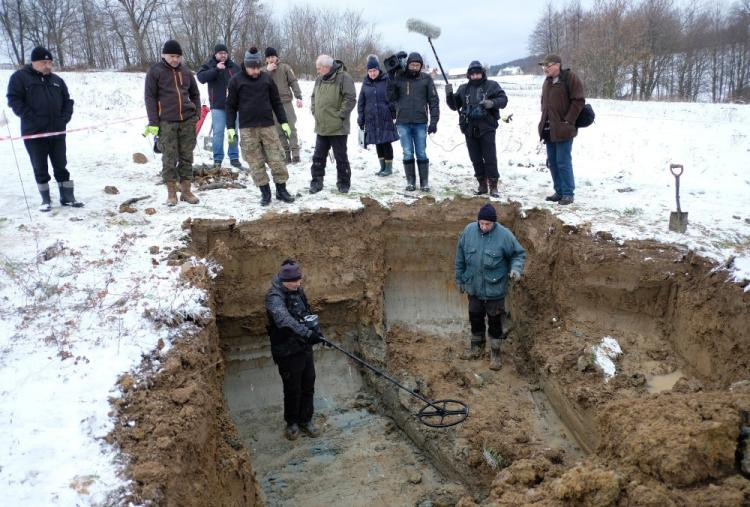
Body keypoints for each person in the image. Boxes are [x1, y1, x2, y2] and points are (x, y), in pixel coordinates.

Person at [6, 46, 82, 211]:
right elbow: (14, 100)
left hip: (57, 132)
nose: (48, 65)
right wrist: (32, 118)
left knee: (61, 165)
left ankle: (67, 197)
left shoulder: (57, 80)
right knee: (40, 167)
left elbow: (68, 101)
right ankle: (46, 200)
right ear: (34, 62)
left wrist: (64, 119)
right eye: (44, 62)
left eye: (50, 62)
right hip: (34, 133)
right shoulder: (20, 78)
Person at [454, 204, 525, 370]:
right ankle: (476, 347)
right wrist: (459, 280)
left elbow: (518, 255)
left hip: (495, 289)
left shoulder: (505, 236)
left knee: (494, 322)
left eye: (487, 224)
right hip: (474, 287)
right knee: (475, 318)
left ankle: (495, 353)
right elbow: (460, 259)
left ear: (494, 223)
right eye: (481, 223)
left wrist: (515, 269)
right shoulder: (468, 231)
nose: (484, 226)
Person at [225, 47, 295, 206]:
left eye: (258, 67)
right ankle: (265, 193)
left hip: (268, 127)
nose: (256, 71)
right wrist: (230, 127)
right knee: (255, 162)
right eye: (252, 67)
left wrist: (284, 122)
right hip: (247, 129)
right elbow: (230, 106)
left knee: (277, 158)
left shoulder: (267, 79)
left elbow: (276, 102)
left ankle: (282, 190)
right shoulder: (236, 81)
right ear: (245, 65)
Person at [265, 260, 324, 440]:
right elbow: (284, 320)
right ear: (284, 280)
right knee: (293, 388)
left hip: (303, 347)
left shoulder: (298, 290)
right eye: (295, 281)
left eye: (299, 280)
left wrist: (316, 332)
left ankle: (306, 420)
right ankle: (292, 423)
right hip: (287, 351)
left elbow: (306, 312)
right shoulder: (274, 297)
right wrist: (307, 333)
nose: (299, 284)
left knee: (308, 383)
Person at [144, 39, 201, 206]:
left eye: (178, 56)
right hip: (166, 122)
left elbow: (195, 94)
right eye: (172, 56)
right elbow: (150, 97)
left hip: (187, 121)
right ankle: (171, 193)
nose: (175, 59)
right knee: (169, 157)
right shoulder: (155, 71)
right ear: (164, 55)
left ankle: (186, 191)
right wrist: (153, 121)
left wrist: (196, 114)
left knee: (187, 157)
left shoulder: (186, 71)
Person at [446, 61, 508, 198]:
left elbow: (503, 100)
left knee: (490, 158)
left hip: (487, 127)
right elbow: (454, 106)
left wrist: (492, 103)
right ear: (469, 75)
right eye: (472, 74)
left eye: (478, 73)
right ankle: (482, 184)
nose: (475, 76)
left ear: (482, 73)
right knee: (475, 158)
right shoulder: (463, 89)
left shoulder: (492, 86)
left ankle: (493, 185)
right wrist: (449, 96)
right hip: (469, 128)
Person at [387, 51, 439, 192]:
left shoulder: (426, 79)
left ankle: (424, 182)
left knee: (421, 152)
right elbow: (390, 97)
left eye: (417, 65)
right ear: (408, 64)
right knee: (408, 152)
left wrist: (434, 121)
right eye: (412, 64)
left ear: (420, 66)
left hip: (420, 122)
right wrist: (391, 78)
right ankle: (410, 181)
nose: (414, 67)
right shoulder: (399, 78)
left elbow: (434, 101)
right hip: (403, 122)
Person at [537, 54, 584, 206]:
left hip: (563, 129)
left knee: (563, 161)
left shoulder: (570, 78)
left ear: (557, 65)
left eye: (548, 65)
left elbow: (578, 101)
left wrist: (568, 120)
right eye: (543, 66)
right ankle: (559, 191)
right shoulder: (547, 81)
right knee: (552, 162)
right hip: (549, 129)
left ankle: (568, 193)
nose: (545, 69)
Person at [309, 54, 356, 194]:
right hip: (321, 126)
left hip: (338, 128)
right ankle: (317, 181)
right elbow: (313, 97)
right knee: (318, 156)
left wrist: (340, 116)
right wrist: (315, 111)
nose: (317, 71)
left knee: (340, 157)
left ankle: (343, 183)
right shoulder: (319, 79)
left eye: (319, 68)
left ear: (326, 67)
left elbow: (350, 99)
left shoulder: (344, 78)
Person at [196, 43, 242, 170]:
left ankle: (234, 158)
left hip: (233, 106)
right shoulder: (209, 65)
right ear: (215, 54)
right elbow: (201, 78)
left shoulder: (234, 67)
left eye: (225, 53)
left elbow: (243, 83)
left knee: (233, 133)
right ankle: (217, 159)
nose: (223, 55)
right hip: (217, 106)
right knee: (218, 133)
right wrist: (216, 69)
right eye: (220, 53)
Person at [357, 54, 399, 177]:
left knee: (386, 142)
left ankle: (389, 168)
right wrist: (361, 117)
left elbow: (393, 97)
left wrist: (392, 111)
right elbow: (361, 102)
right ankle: (382, 167)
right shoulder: (365, 84)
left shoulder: (386, 80)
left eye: (374, 70)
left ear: (378, 69)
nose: (372, 73)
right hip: (371, 118)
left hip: (385, 117)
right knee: (378, 143)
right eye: (370, 71)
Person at [264, 47, 304, 164]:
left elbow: (293, 82)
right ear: (266, 59)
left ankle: (295, 153)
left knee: (290, 128)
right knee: (279, 131)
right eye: (269, 57)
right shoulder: (262, 70)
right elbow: (259, 83)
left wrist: (299, 96)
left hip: (285, 102)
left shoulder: (285, 67)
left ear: (277, 57)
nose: (271, 59)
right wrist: (267, 71)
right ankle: (286, 154)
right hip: (271, 105)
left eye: (273, 57)